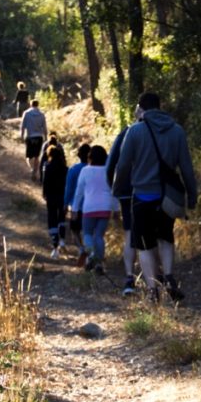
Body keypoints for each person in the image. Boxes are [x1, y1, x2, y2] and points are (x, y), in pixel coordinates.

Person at [111, 92, 197, 301]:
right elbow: (186, 167)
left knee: (144, 243)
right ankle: (168, 276)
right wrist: (192, 195)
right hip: (168, 197)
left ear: (141, 107)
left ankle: (152, 290)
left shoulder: (135, 131)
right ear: (160, 106)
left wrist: (117, 188)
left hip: (142, 196)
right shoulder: (177, 131)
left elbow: (122, 165)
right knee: (166, 237)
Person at [73, 145, 118, 274]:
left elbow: (79, 192)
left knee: (87, 233)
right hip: (105, 208)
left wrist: (75, 209)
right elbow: (113, 191)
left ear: (90, 157)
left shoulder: (85, 171)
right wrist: (116, 209)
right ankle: (99, 264)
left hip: (89, 208)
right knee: (99, 236)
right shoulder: (109, 171)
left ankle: (91, 254)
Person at [107, 120, 139, 296]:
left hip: (128, 193)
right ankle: (160, 278)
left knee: (130, 236)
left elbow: (112, 164)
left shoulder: (127, 132)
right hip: (156, 191)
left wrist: (116, 189)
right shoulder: (166, 129)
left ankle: (129, 278)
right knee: (153, 235)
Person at [65, 143, 92, 265]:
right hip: (91, 206)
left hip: (77, 206)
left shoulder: (73, 169)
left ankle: (81, 249)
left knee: (75, 230)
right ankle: (90, 254)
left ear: (79, 155)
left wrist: (65, 203)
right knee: (89, 232)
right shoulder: (94, 169)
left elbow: (69, 188)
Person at [42, 144, 69, 259]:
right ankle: (62, 239)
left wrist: (44, 193)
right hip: (62, 196)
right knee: (62, 218)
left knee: (52, 219)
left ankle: (55, 247)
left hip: (51, 197)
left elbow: (45, 182)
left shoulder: (47, 167)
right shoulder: (66, 169)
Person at [20, 100, 47, 181]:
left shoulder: (26, 113)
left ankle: (32, 169)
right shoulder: (41, 114)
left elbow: (23, 126)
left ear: (30, 105)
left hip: (30, 137)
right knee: (36, 156)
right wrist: (46, 137)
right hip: (39, 137)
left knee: (28, 157)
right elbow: (44, 127)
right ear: (38, 105)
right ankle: (35, 171)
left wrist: (21, 135)